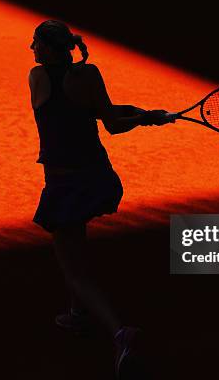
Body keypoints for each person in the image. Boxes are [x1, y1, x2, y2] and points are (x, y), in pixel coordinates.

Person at [29, 20, 173, 378]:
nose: (31, 50)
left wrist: (139, 115)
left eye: (36, 44)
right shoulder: (89, 74)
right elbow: (108, 119)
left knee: (73, 269)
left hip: (64, 186)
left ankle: (119, 333)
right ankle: (78, 315)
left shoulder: (37, 78)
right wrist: (144, 117)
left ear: (48, 50)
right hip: (96, 178)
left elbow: (77, 112)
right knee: (76, 244)